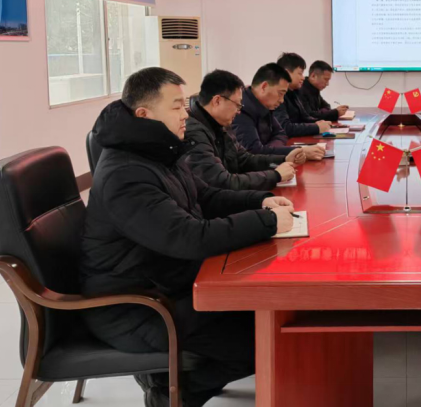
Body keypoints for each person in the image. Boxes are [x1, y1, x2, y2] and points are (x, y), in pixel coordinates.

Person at [80, 67, 297, 407]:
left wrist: (260, 201)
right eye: (177, 106)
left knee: (264, 319)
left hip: (167, 280)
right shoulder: (126, 174)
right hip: (137, 305)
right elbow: (188, 237)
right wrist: (266, 223)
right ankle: (172, 394)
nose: (186, 114)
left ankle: (171, 380)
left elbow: (205, 196)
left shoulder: (157, 150)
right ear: (144, 114)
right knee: (263, 341)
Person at [186, 69, 308, 191]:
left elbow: (245, 160)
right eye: (237, 105)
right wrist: (275, 176)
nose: (238, 111)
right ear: (217, 101)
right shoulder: (194, 134)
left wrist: (283, 160)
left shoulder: (222, 124)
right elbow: (222, 182)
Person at [233, 63, 326, 161]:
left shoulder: (265, 104)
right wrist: (299, 152)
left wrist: (271, 149)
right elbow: (254, 152)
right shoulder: (241, 110)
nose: (282, 100)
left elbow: (281, 133)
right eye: (280, 93)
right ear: (264, 87)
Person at [274, 53, 333, 137]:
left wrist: (318, 123)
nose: (303, 78)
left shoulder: (293, 92)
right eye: (300, 73)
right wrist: (316, 127)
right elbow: (284, 128)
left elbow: (304, 117)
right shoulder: (276, 95)